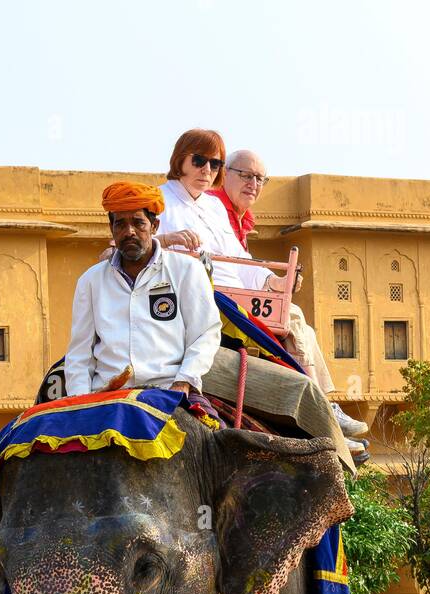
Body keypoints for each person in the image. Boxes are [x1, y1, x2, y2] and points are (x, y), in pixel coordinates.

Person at [157, 137, 368, 444]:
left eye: (214, 164)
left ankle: (324, 409)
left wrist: (275, 283)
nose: (207, 170)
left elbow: (241, 261)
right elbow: (125, 253)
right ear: (180, 160)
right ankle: (324, 410)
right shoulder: (159, 201)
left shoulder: (213, 206)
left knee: (295, 321)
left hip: (237, 294)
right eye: (199, 160)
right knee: (292, 318)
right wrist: (168, 240)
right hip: (205, 298)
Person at [64, 181, 220, 399]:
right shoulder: (91, 281)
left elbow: (205, 333)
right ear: (112, 229)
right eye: (120, 225)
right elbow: (79, 355)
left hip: (169, 389)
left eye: (138, 223)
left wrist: (184, 381)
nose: (129, 232)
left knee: (216, 433)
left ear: (154, 226)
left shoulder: (186, 271)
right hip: (107, 395)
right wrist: (79, 403)